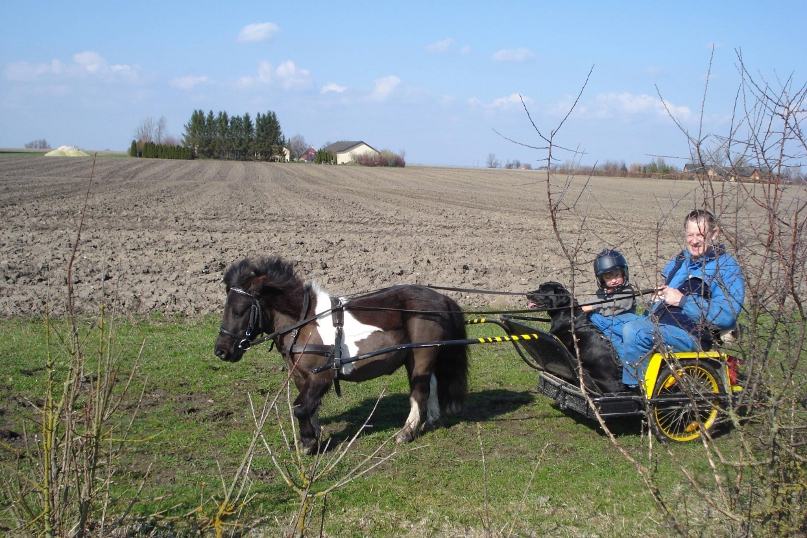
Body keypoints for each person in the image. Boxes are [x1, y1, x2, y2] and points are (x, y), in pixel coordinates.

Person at [620, 209, 746, 388]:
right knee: (608, 322)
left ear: (714, 234)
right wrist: (660, 296)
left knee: (634, 331)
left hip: (691, 336)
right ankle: (610, 378)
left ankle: (633, 391)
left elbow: (727, 316)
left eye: (700, 235)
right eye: (690, 235)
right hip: (658, 323)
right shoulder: (682, 260)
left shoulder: (727, 268)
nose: (694, 241)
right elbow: (667, 288)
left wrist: (683, 301)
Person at [582, 249, 641, 363]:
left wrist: (593, 307)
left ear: (624, 273)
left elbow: (616, 306)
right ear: (602, 279)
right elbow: (593, 301)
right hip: (610, 326)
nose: (614, 280)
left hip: (625, 326)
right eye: (608, 277)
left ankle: (623, 358)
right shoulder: (602, 292)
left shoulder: (627, 291)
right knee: (591, 318)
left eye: (617, 275)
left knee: (594, 317)